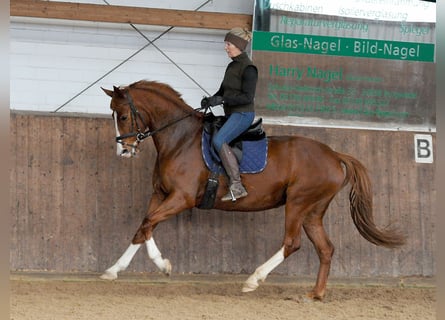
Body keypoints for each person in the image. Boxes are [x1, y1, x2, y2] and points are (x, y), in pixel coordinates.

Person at [201, 27, 258, 202]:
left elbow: (247, 97)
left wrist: (223, 100)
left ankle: (237, 185)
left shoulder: (249, 68)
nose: (226, 47)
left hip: (243, 114)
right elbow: (223, 91)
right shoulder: (232, 66)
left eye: (228, 44)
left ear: (239, 46)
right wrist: (211, 99)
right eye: (226, 44)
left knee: (219, 140)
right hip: (232, 113)